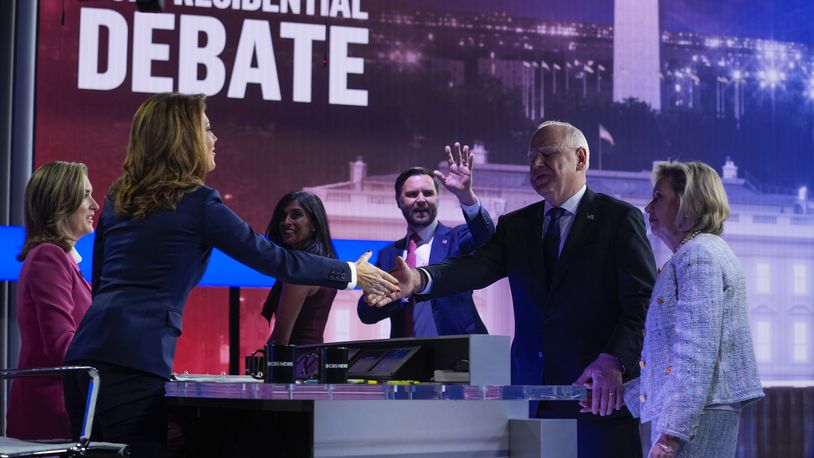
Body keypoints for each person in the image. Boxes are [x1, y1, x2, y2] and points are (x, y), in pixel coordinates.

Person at [63, 93, 399, 457]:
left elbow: (102, 287)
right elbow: (277, 261)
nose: (214, 138)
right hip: (133, 364)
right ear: (185, 139)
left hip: (83, 359)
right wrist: (352, 271)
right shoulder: (198, 202)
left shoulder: (118, 198)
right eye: (207, 128)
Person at [368, 121, 657, 458]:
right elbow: (473, 266)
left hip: (595, 400)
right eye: (531, 158)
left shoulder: (618, 219)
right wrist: (418, 280)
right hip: (530, 402)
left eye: (547, 155)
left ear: (580, 158)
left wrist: (615, 359)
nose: (535, 165)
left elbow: (642, 301)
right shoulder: (517, 225)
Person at [616, 161, 764, 457]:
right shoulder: (698, 252)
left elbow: (696, 350)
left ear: (688, 202)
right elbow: (674, 358)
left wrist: (671, 435)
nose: (648, 207)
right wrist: (622, 395)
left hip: (695, 418)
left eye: (658, 197)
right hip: (697, 413)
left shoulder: (699, 255)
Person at [357, 143, 494, 337]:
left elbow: (488, 238)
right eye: (412, 194)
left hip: (460, 356)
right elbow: (366, 313)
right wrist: (396, 295)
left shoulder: (458, 239)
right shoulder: (388, 255)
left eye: (428, 193)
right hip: (407, 359)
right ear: (398, 200)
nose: (421, 199)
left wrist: (466, 197)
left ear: (437, 198)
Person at [7, 161, 98, 440]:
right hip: (53, 415)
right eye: (85, 195)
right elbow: (63, 347)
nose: (95, 204)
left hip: (67, 409)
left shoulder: (63, 261)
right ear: (61, 203)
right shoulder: (49, 257)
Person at [262, 191, 338, 345]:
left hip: (296, 364)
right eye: (282, 217)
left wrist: (264, 365)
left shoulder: (302, 269)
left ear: (314, 223)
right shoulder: (321, 263)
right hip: (311, 362)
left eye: (296, 215)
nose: (286, 222)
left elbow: (280, 340)